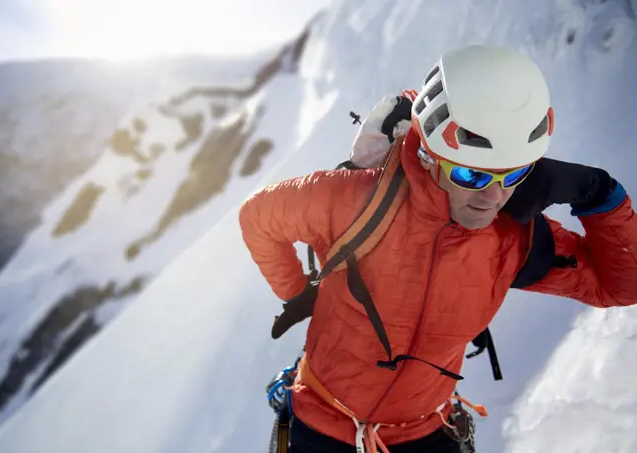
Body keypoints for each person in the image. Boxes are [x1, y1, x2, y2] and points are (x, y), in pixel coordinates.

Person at [239, 44, 637, 453]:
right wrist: (298, 291)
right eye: (470, 174)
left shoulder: (516, 238)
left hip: (424, 432)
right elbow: (258, 216)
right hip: (322, 423)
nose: (493, 197)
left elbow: (621, 286)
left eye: (514, 174)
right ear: (430, 155)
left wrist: (601, 196)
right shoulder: (354, 200)